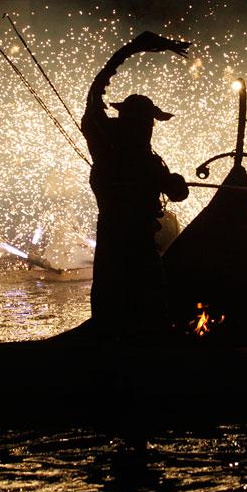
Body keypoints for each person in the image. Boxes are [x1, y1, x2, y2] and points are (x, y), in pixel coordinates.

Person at [82, 31, 191, 336]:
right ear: (130, 119)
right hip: (122, 237)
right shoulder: (106, 139)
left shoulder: (146, 157)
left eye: (149, 122)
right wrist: (131, 49)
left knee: (142, 297)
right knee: (127, 295)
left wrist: (174, 183)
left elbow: (176, 193)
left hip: (138, 237)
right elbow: (95, 92)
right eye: (144, 120)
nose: (148, 127)